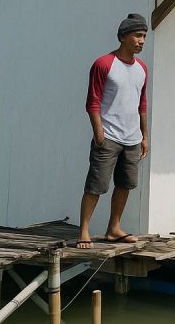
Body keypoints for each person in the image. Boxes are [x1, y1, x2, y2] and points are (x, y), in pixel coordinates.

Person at [76, 14, 149, 248]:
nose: (142, 41)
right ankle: (84, 231)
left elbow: (142, 104)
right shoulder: (104, 64)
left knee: (126, 184)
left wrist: (145, 136)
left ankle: (113, 228)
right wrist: (99, 133)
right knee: (96, 185)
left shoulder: (142, 68)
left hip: (132, 138)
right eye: (138, 35)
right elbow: (93, 101)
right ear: (123, 37)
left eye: (144, 36)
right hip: (108, 137)